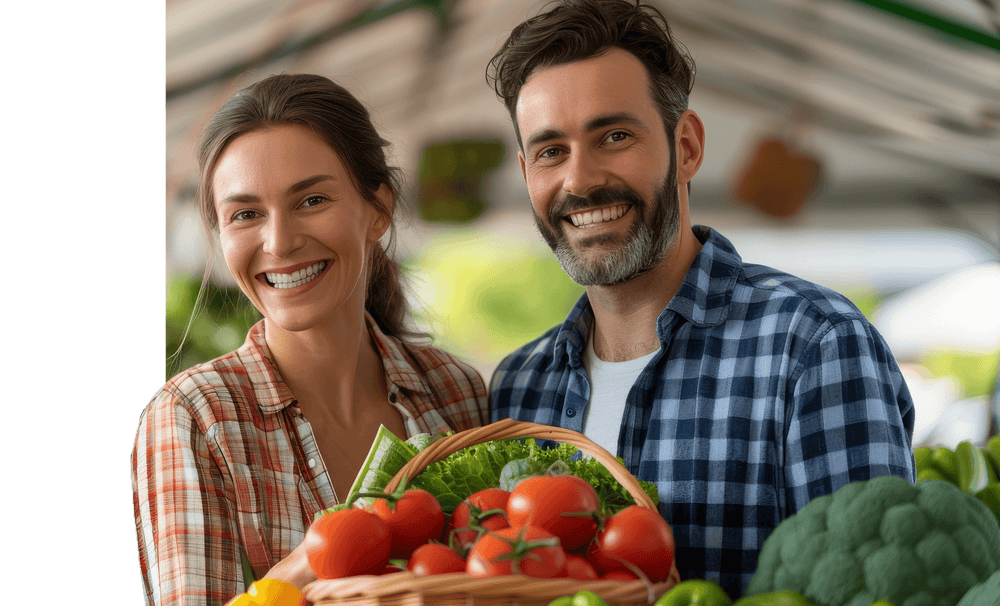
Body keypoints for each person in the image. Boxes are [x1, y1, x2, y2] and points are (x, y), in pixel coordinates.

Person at [485, 0, 915, 598]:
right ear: (527, 170)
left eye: (613, 136)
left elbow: (873, 588)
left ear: (685, 146)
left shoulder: (814, 345)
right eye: (551, 151)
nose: (579, 180)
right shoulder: (520, 386)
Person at [130, 74, 489, 606]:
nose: (279, 241)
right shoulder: (195, 417)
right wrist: (311, 564)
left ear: (378, 209)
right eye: (246, 214)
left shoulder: (455, 391)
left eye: (312, 199)